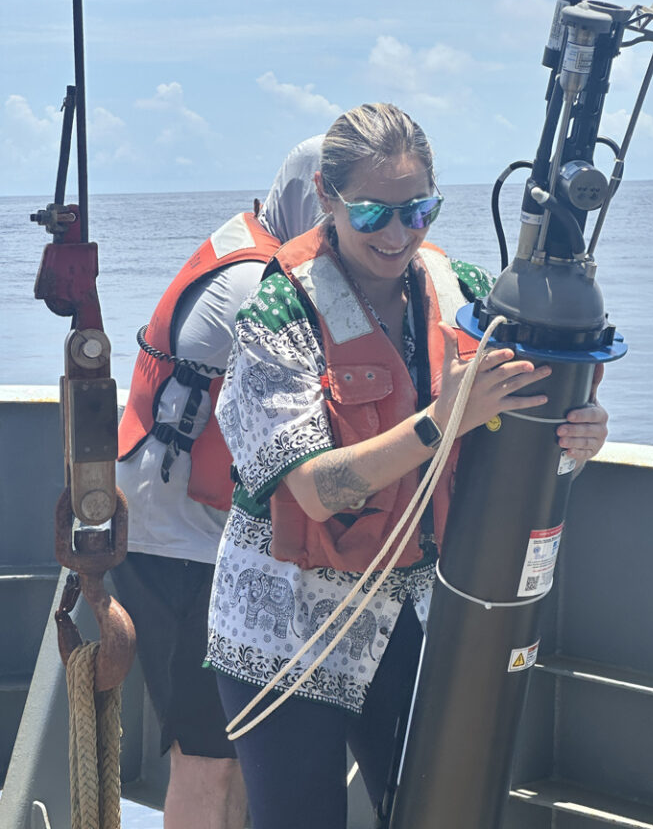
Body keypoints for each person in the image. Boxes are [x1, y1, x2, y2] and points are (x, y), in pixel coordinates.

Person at [206, 103, 608, 829]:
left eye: (418, 209)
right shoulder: (275, 311)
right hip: (287, 627)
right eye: (372, 215)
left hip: (411, 614)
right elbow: (315, 489)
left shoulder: (466, 291)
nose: (398, 235)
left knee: (435, 808)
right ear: (326, 199)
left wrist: (577, 434)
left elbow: (521, 423)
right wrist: (437, 420)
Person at [112, 137, 324, 829]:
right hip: (178, 550)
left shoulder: (256, 245)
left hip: (192, 536)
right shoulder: (256, 285)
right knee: (207, 756)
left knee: (235, 749)